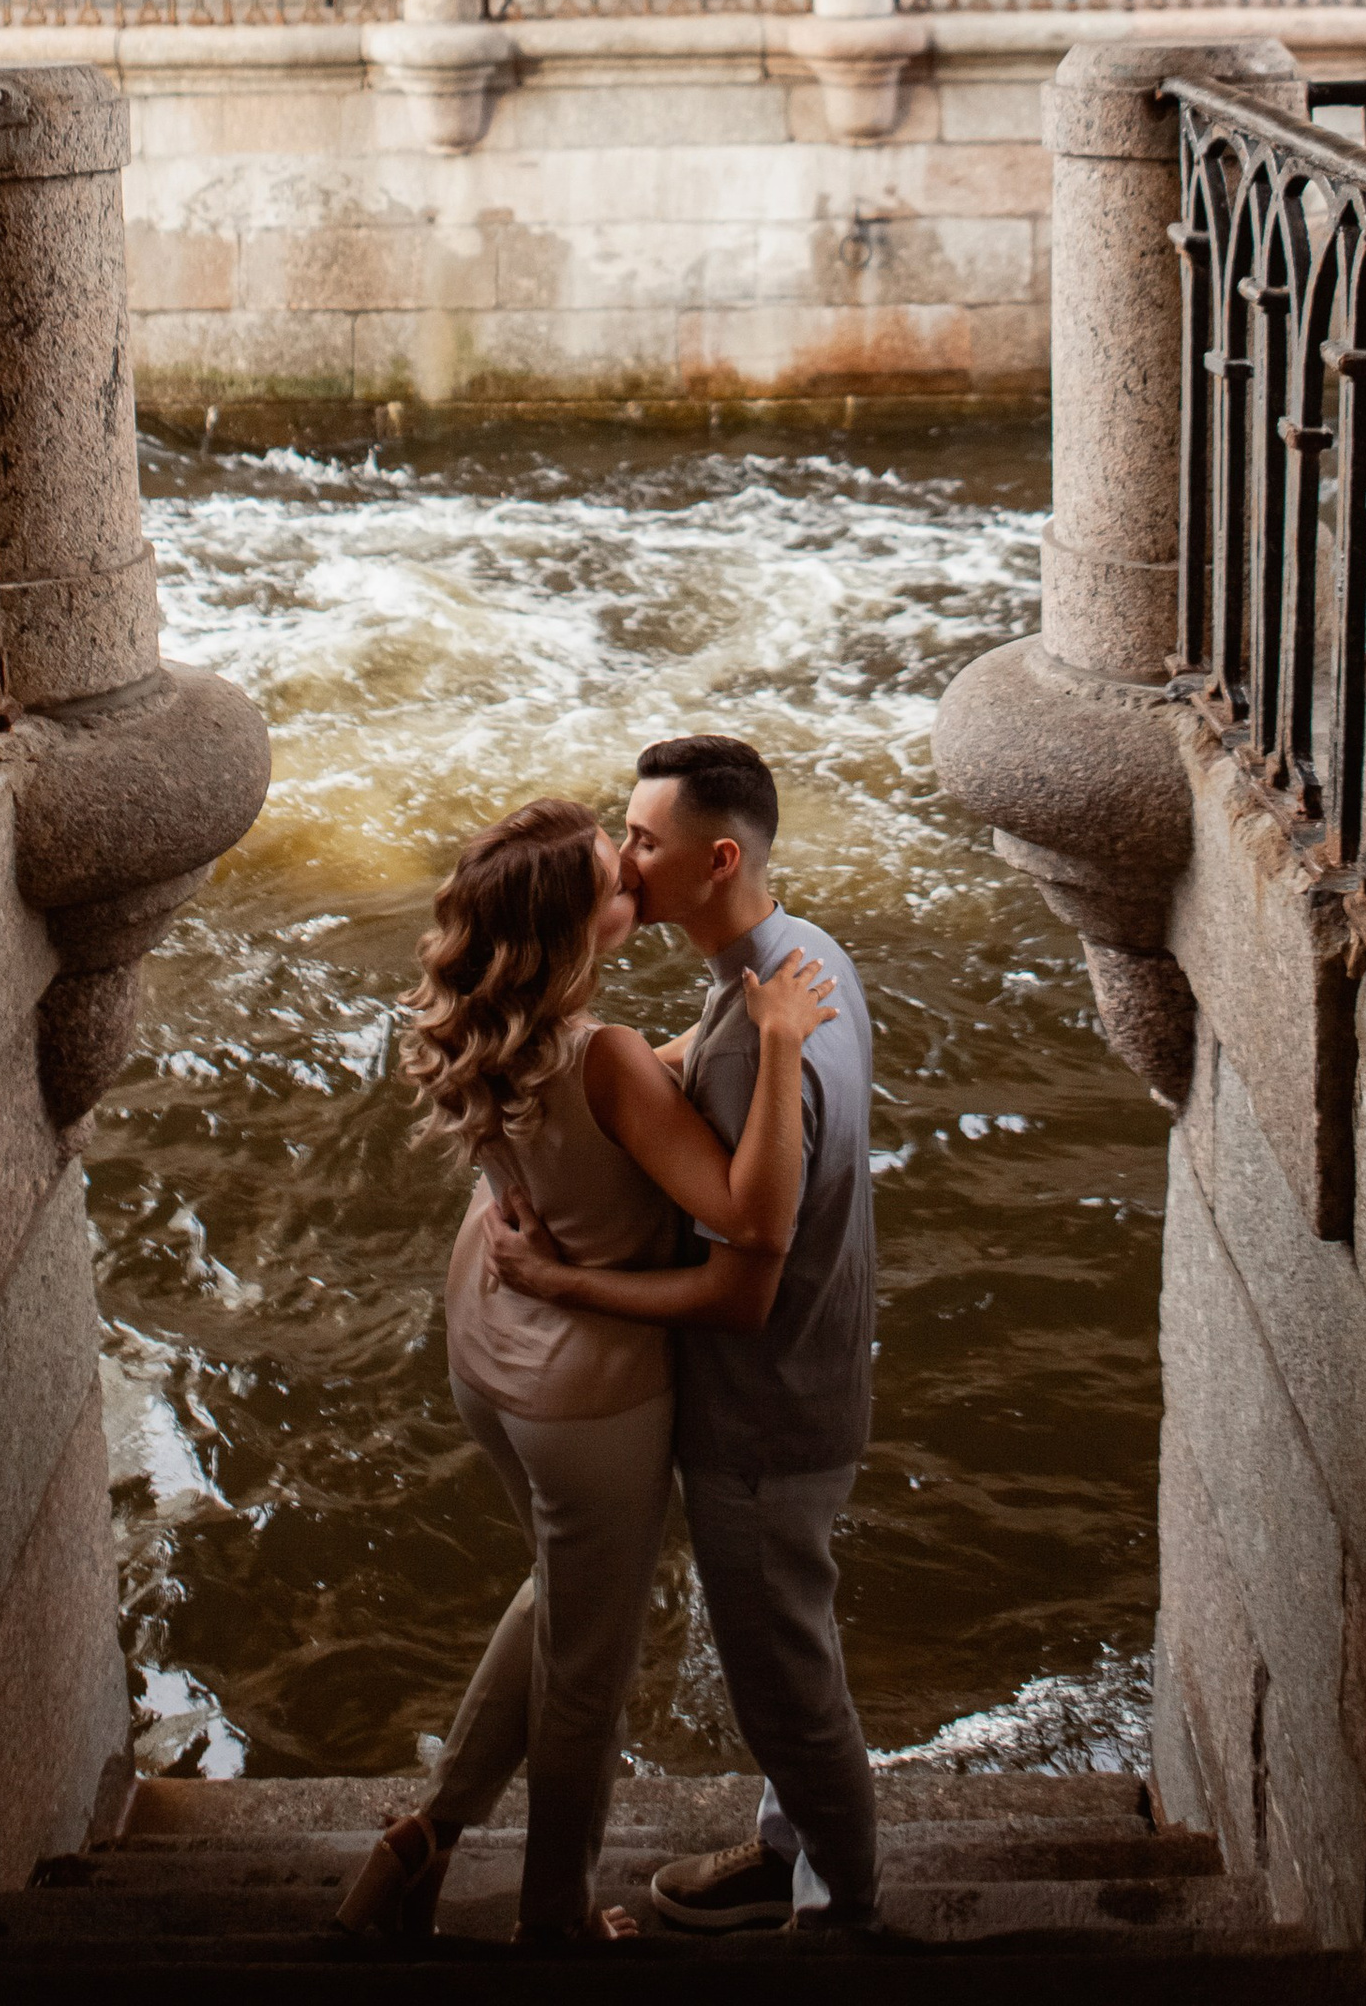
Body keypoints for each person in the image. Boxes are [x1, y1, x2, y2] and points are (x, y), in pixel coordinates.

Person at [337, 793, 837, 1954]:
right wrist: (774, 1047)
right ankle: (553, 1918)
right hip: (588, 1390)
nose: (636, 889)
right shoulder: (603, 1057)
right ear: (570, 933)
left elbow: (593, 1102)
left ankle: (422, 1840)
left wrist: (662, 1067)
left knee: (560, 1593)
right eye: (616, 880)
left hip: (489, 1350)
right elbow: (744, 1215)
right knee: (587, 1672)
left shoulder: (490, 1020)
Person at [487, 731, 879, 1939]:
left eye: (643, 843)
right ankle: (789, 1850)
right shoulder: (809, 962)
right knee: (783, 1645)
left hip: (763, 1405)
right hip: (820, 1369)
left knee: (782, 1680)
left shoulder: (755, 1050)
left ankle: (842, 1915)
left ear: (715, 859)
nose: (625, 862)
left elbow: (740, 1290)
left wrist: (563, 1280)